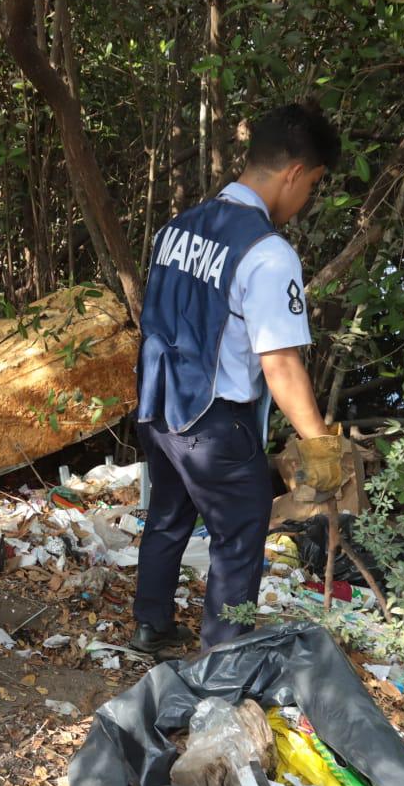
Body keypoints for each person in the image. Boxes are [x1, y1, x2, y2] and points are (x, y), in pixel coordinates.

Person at [131, 100, 347, 655]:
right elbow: (280, 363)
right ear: (296, 172)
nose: (306, 201)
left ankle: (150, 625)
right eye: (313, 186)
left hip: (160, 407)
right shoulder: (268, 253)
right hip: (214, 423)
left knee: (166, 518)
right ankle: (224, 660)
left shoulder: (178, 228)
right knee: (240, 536)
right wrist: (318, 443)